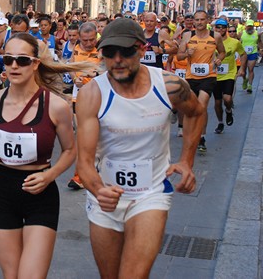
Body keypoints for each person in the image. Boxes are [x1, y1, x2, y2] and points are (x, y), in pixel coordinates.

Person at [76, 18, 206, 278]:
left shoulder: (168, 86)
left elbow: (196, 113)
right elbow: (85, 162)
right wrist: (99, 189)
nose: (117, 60)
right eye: (109, 53)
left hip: (151, 193)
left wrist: (186, 161)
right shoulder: (92, 94)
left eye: (125, 51)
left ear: (142, 50)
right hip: (105, 197)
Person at [0, 32, 83, 279]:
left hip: (40, 193)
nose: (14, 65)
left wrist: (50, 175)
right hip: (3, 192)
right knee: (11, 275)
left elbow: (70, 150)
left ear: (35, 64)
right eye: (8, 59)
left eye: (22, 60)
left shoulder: (56, 106)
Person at [177, 10, 225, 153]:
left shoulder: (215, 36)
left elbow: (222, 52)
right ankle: (189, 136)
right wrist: (186, 53)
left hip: (208, 76)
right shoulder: (187, 35)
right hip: (191, 77)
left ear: (207, 20)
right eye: (196, 20)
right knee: (190, 108)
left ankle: (202, 137)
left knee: (202, 106)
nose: (199, 22)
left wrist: (219, 59)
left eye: (202, 20)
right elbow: (179, 56)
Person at [68, 22, 103, 190]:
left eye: (91, 40)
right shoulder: (76, 47)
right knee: (81, 136)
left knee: (97, 138)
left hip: (98, 98)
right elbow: (71, 66)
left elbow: (107, 71)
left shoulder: (103, 49)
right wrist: (75, 78)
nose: (88, 44)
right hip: (78, 97)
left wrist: (94, 75)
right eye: (85, 40)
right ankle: (80, 175)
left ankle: (93, 170)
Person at [213, 19, 246, 134]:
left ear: (226, 28)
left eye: (223, 27)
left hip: (229, 74)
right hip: (215, 75)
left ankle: (228, 110)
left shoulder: (234, 42)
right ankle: (220, 122)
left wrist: (241, 68)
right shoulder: (211, 41)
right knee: (217, 103)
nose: (220, 29)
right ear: (215, 28)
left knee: (227, 98)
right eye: (218, 27)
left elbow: (243, 54)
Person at [239, 19, 258, 93]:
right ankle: (244, 79)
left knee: (251, 69)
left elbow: (259, 41)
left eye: (251, 26)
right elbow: (238, 42)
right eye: (248, 26)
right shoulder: (241, 33)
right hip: (243, 54)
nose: (249, 28)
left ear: (253, 26)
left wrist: (261, 49)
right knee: (243, 71)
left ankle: (250, 85)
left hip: (253, 53)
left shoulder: (257, 33)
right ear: (246, 26)